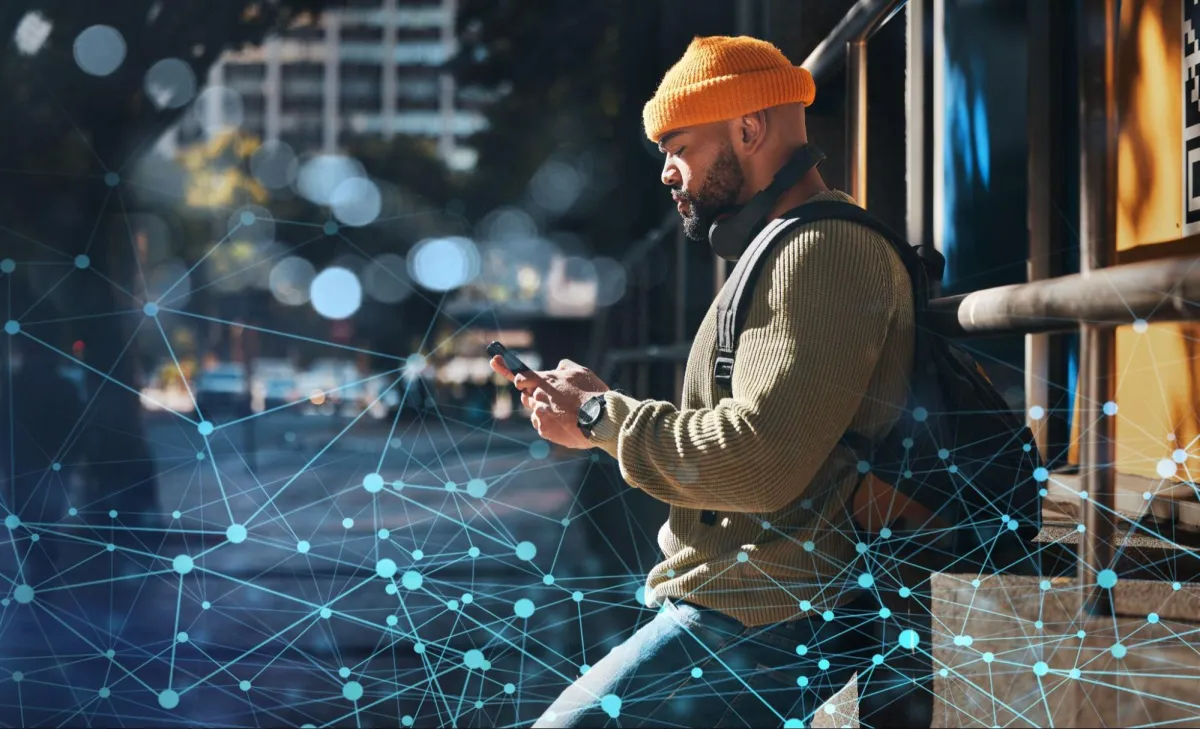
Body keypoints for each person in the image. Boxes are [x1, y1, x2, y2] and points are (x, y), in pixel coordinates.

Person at [491, 35, 931, 728]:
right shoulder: (783, 248)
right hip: (742, 602)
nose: (667, 171)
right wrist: (597, 410)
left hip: (771, 616)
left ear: (749, 129)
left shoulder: (824, 252)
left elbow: (759, 459)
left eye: (680, 146)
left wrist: (603, 416)